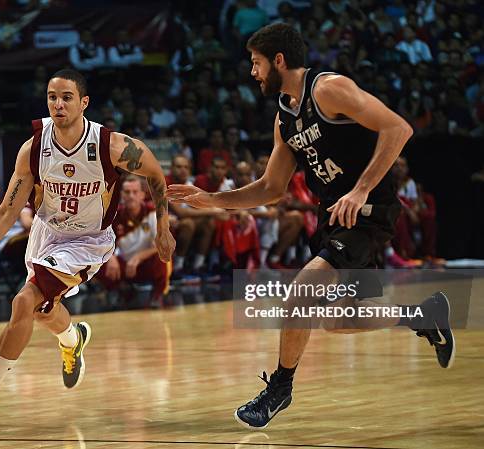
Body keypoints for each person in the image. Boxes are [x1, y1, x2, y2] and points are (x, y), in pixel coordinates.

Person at [168, 23, 455, 429]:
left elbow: (398, 128)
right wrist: (213, 201)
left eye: (257, 63)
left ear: (279, 61)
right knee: (337, 319)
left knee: (300, 294)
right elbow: (271, 187)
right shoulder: (284, 115)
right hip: (333, 215)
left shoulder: (328, 89)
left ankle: (279, 389)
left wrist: (360, 190)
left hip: (367, 209)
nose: (253, 73)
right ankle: (423, 316)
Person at [0, 69, 175, 418]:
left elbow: (156, 174)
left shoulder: (110, 145)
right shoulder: (34, 149)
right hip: (46, 232)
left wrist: (163, 227)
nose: (58, 104)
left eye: (66, 97)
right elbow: (7, 210)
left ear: (84, 102)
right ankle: (73, 339)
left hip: (87, 240)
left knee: (24, 302)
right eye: (52, 97)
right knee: (40, 310)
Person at [96, 175, 171, 306]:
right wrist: (111, 256)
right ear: (121, 195)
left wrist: (138, 257)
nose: (131, 196)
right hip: (123, 263)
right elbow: (99, 241)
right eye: (127, 192)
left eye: (135, 192)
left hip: (146, 263)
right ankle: (114, 289)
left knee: (163, 256)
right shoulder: (113, 214)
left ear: (143, 194)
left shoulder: (153, 213)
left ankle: (157, 294)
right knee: (100, 259)